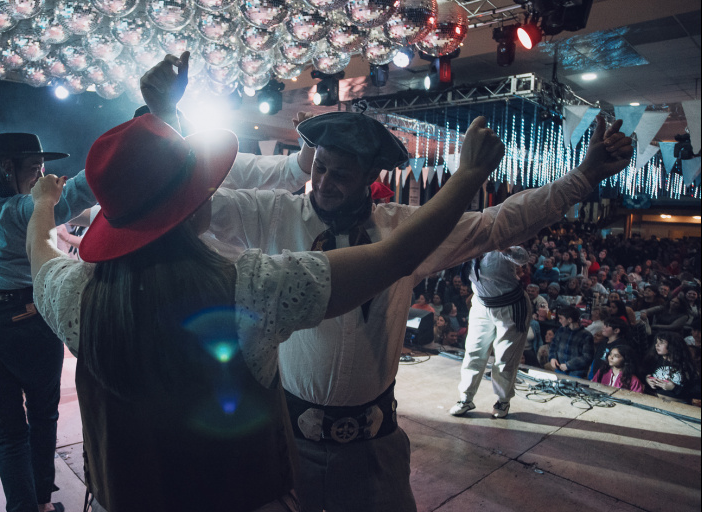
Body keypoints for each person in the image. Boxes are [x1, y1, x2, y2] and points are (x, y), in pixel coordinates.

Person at [146, 52, 634, 512]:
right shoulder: (271, 214)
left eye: (342, 173)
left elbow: (497, 224)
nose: (324, 182)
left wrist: (586, 175)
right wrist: (163, 115)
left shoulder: (403, 228)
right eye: (320, 168)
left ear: (370, 176)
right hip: (287, 440)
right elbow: (189, 199)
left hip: (374, 448)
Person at [25, 111, 501, 512]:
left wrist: (43, 202)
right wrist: (465, 178)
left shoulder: (71, 295)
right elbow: (394, 258)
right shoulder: (253, 289)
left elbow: (40, 251)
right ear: (190, 209)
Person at [0, 130, 98, 512]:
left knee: (7, 432)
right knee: (42, 414)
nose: (41, 175)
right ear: (6, 168)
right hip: (28, 321)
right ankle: (44, 503)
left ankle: (24, 507)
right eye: (35, 168)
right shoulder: (27, 211)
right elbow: (88, 186)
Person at [449, 246, 531, 419]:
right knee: (473, 351)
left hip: (510, 306)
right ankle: (466, 398)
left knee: (504, 358)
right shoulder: (469, 247)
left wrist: (505, 249)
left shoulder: (501, 246)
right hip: (481, 305)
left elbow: (523, 257)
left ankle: (503, 400)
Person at [645, 332, 699, 402]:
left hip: (678, 404)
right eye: (656, 342)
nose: (657, 345)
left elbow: (695, 391)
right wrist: (647, 380)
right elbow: (641, 377)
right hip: (654, 400)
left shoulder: (685, 365)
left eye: (661, 342)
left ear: (672, 345)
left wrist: (674, 387)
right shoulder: (653, 360)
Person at [549, 306, 594, 378]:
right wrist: (552, 358)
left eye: (561, 318)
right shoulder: (561, 330)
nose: (559, 321)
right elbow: (553, 346)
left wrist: (569, 365)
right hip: (559, 369)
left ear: (569, 319)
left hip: (577, 373)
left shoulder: (586, 335)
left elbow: (587, 357)